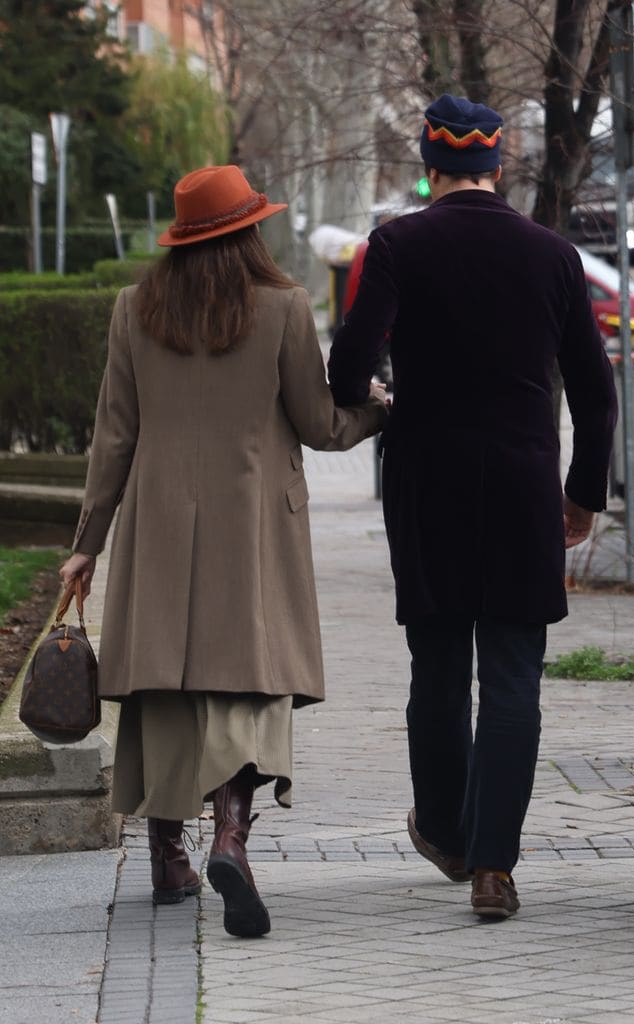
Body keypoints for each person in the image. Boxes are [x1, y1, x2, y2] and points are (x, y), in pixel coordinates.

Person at [60, 164, 387, 938]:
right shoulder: (280, 307)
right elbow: (317, 424)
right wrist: (374, 411)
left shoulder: (133, 309)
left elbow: (114, 435)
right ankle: (231, 837)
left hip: (157, 523)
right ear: (249, 230)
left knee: (166, 685)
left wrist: (86, 545)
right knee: (247, 681)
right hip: (254, 527)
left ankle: (169, 855)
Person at [327, 95, 618, 919]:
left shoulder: (396, 244)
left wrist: (369, 394)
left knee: (438, 666)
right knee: (515, 675)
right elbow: (596, 399)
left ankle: (448, 836)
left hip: (427, 483)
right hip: (525, 485)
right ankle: (495, 869)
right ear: (498, 164)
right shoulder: (553, 255)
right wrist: (582, 493)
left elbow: (352, 357)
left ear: (429, 165)